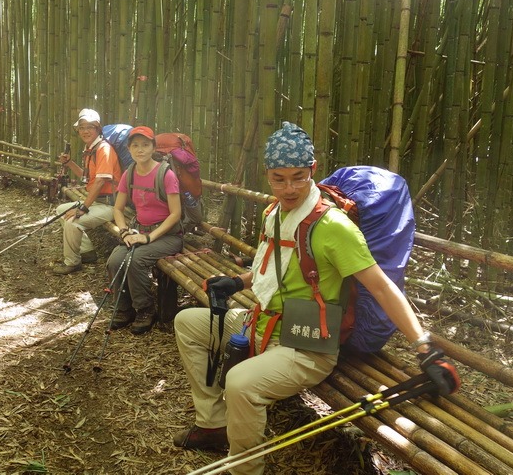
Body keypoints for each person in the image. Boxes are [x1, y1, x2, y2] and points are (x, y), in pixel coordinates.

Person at [172, 122, 458, 475]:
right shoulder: (274, 213)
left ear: (313, 171)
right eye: (279, 178)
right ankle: (214, 424)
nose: (289, 188)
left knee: (241, 383)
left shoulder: (333, 227)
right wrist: (236, 281)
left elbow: (382, 287)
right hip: (264, 320)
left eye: (298, 177)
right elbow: (273, 268)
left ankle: (246, 469)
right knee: (187, 322)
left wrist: (425, 346)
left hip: (308, 344)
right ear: (267, 175)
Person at [105, 126, 184, 334]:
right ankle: (124, 309)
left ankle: (145, 310)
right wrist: (124, 231)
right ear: (129, 149)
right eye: (135, 146)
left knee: (136, 259)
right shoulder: (129, 174)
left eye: (145, 145)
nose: (140, 150)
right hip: (139, 231)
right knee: (115, 260)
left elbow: (175, 214)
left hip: (168, 236)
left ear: (153, 147)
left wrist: (148, 238)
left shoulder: (165, 174)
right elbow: (118, 209)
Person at [53, 109, 122, 275]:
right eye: (82, 127)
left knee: (72, 221)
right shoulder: (90, 149)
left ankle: (72, 262)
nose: (85, 131)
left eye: (90, 127)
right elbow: (87, 177)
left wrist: (82, 208)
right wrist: (69, 163)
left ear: (98, 129)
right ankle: (87, 252)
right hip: (99, 201)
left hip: (111, 204)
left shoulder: (103, 149)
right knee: (61, 210)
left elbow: (99, 182)